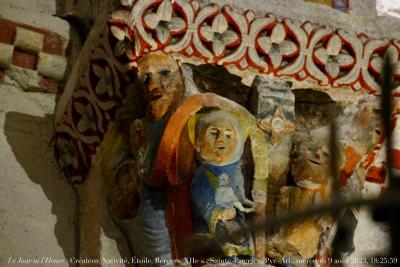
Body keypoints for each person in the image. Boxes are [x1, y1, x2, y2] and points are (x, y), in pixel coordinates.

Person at [115, 51, 185, 266]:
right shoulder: (140, 127)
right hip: (155, 203)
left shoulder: (193, 113)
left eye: (164, 73)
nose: (152, 86)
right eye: (145, 79)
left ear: (183, 73)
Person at [190, 109, 255, 260]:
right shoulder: (203, 174)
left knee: (245, 242)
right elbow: (200, 197)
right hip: (211, 225)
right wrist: (218, 213)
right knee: (225, 248)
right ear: (199, 142)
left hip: (234, 220)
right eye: (213, 133)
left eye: (228, 135)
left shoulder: (235, 170)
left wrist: (243, 203)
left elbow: (238, 192)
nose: (221, 139)